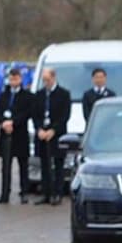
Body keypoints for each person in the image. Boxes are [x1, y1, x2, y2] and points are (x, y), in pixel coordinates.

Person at [32, 67, 72, 205]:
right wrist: (39, 129)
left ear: (54, 78)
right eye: (44, 80)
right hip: (43, 134)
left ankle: (57, 193)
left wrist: (53, 130)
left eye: (48, 80)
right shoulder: (39, 95)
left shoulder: (64, 94)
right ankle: (46, 193)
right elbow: (35, 114)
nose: (46, 82)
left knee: (58, 164)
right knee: (44, 164)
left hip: (57, 135)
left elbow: (65, 116)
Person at [0, 68, 33, 205]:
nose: (13, 81)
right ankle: (4, 193)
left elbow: (27, 112)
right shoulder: (3, 95)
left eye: (16, 78)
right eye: (11, 79)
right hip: (5, 133)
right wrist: (3, 122)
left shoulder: (27, 95)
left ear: (20, 79)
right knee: (6, 166)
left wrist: (14, 122)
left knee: (23, 165)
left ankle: (24, 192)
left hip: (20, 133)